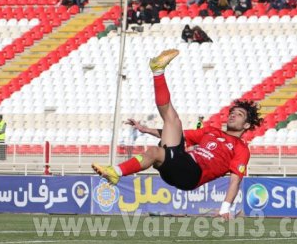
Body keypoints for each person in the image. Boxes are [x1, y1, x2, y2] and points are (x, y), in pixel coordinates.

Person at [91, 50, 261, 218]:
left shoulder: (241, 148)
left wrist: (225, 207)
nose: (233, 115)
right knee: (173, 121)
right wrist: (147, 130)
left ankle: (115, 172)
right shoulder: (211, 131)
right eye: (233, 112)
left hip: (192, 174)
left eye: (239, 114)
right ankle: (158, 70)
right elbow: (176, 133)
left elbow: (235, 180)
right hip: (181, 163)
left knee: (154, 151)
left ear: (246, 125)